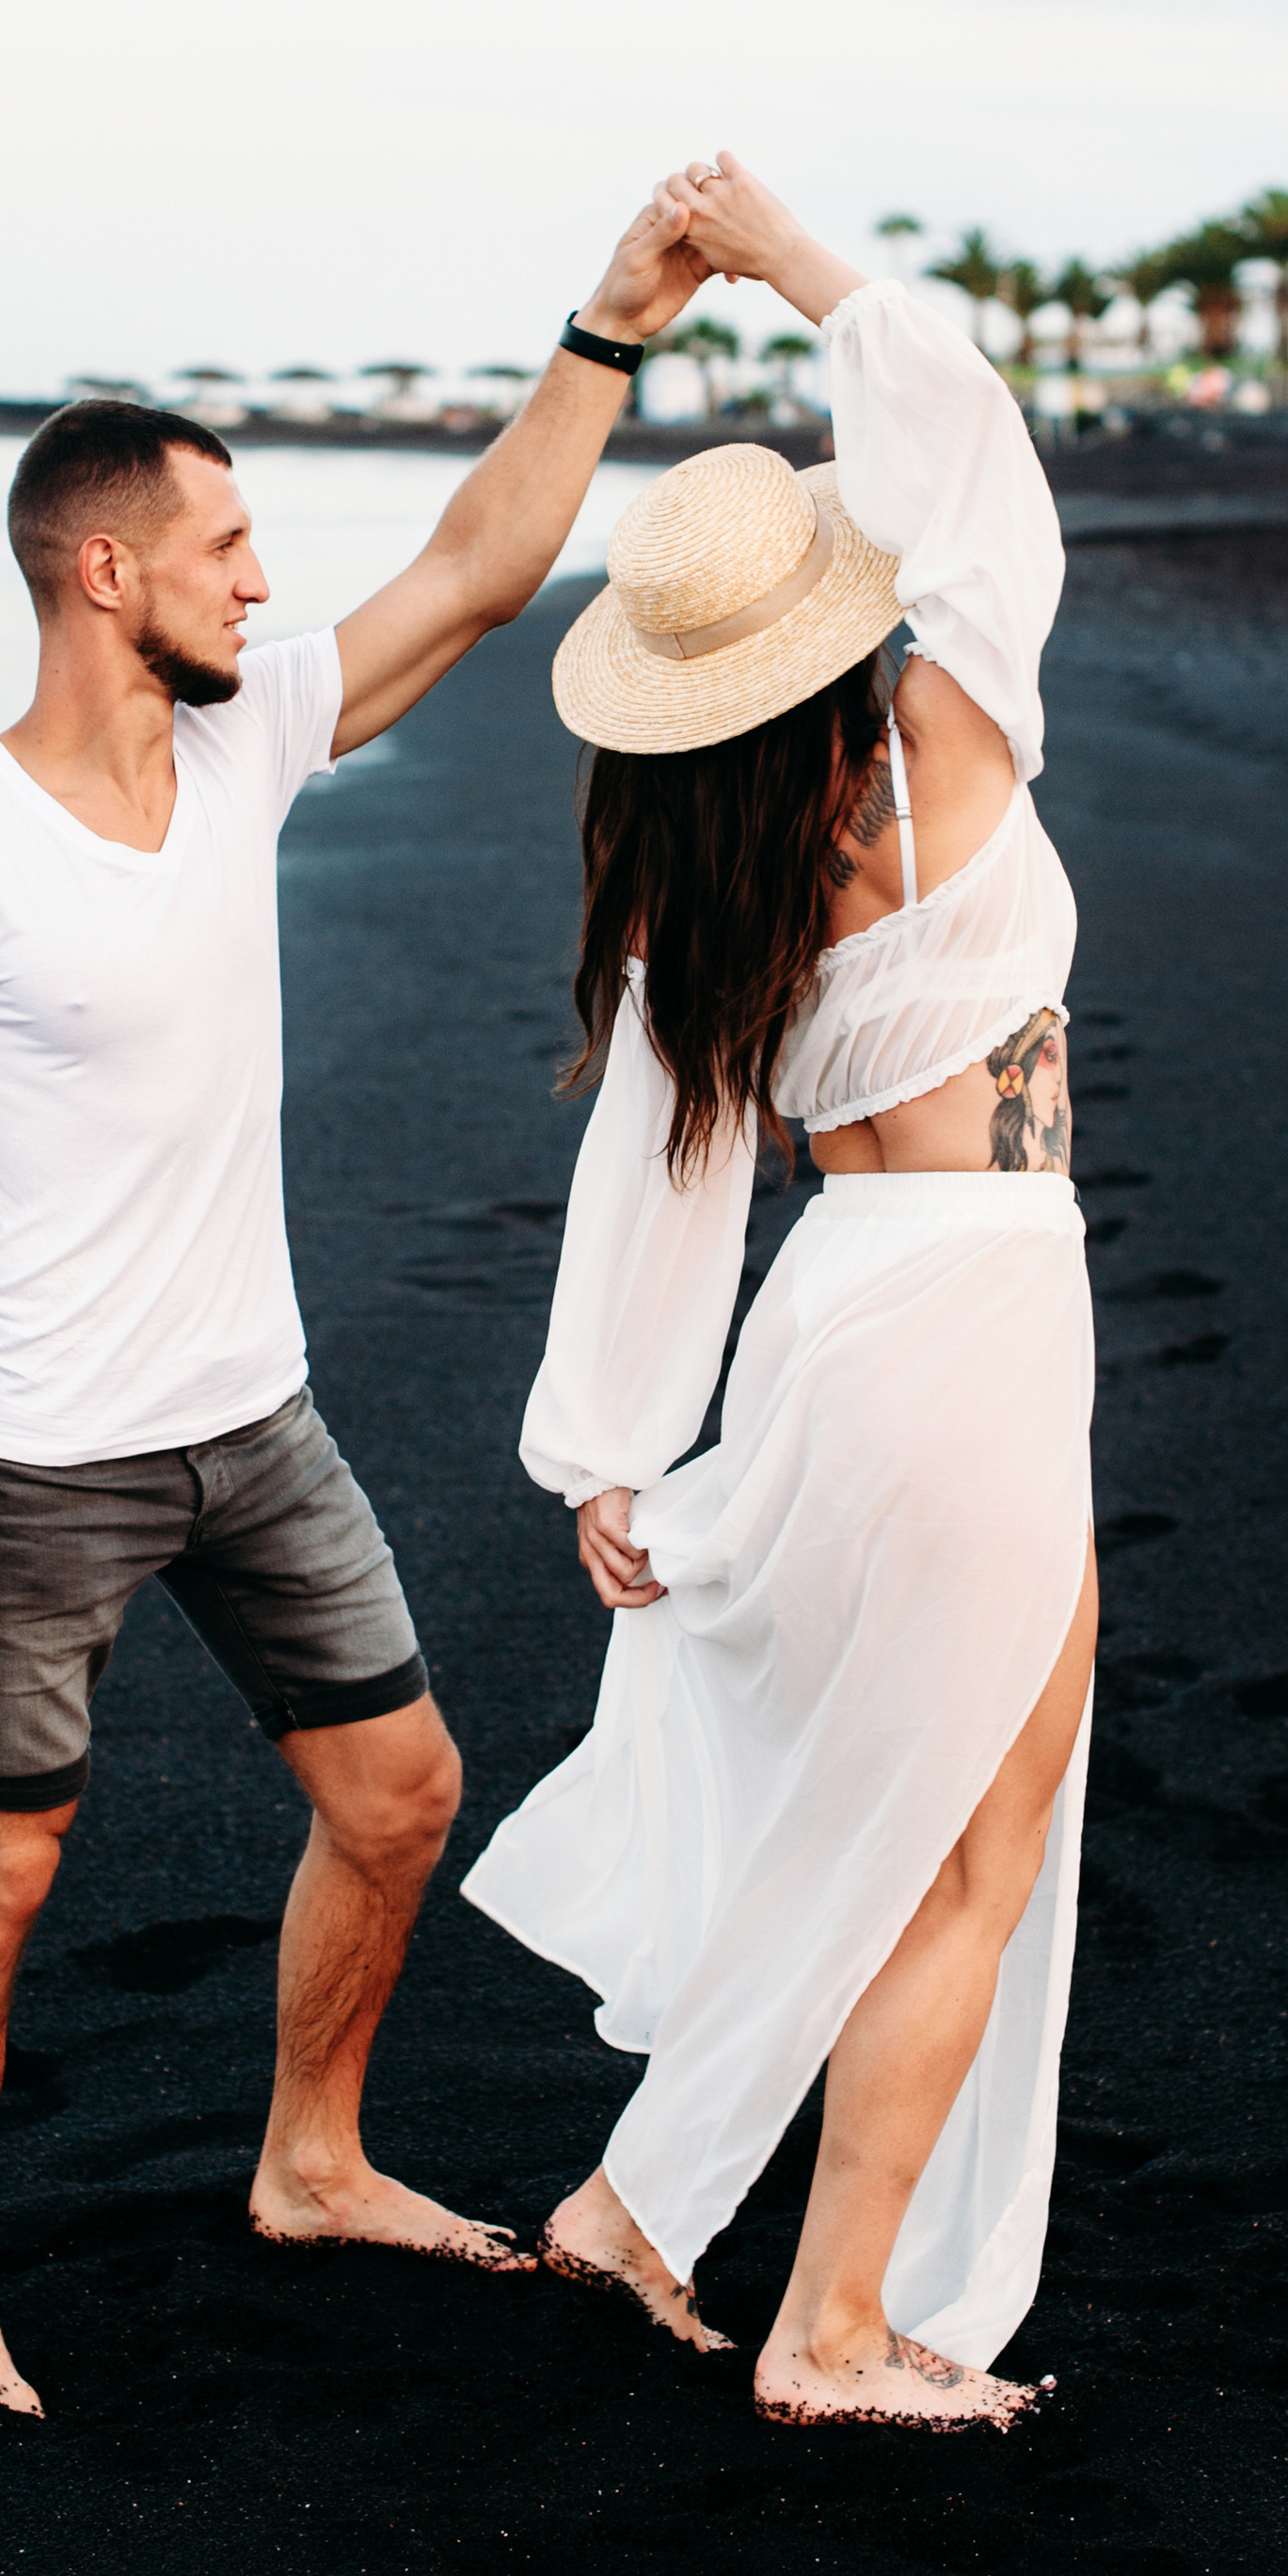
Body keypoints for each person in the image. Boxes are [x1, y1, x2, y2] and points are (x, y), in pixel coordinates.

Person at [0, 178, 718, 2415]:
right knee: (3, 1864)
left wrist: (605, 326)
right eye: (226, 545)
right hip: (37, 1447)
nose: (264, 578)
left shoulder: (240, 746)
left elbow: (484, 573)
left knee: (400, 1790)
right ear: (103, 568)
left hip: (256, 1418)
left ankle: (310, 2154)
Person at [462, 152, 1097, 2430]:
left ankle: (645, 2208)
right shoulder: (935, 755)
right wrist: (792, 253)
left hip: (840, 1322)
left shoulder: (698, 880)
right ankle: (828, 2331)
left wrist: (610, 1438)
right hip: (976, 1328)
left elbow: (656, 1164)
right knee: (965, 1847)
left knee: (884, 1812)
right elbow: (970, 446)